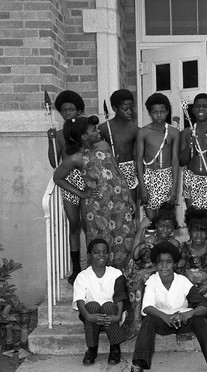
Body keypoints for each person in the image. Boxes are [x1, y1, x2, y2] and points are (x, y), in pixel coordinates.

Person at [126, 242, 207, 372]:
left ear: (175, 264)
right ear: (156, 265)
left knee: (199, 320)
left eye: (168, 262)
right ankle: (137, 366)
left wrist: (190, 313)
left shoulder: (182, 281)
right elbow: (147, 307)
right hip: (162, 321)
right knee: (149, 320)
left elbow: (204, 307)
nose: (164, 266)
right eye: (160, 262)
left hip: (181, 321)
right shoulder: (152, 281)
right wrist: (165, 317)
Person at [53, 116, 135, 270]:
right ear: (84, 136)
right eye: (94, 130)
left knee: (124, 238)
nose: (98, 131)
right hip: (97, 207)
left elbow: (117, 171)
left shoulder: (104, 146)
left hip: (119, 200)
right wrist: (81, 193)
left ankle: (122, 279)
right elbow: (58, 178)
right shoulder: (75, 158)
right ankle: (99, 281)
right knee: (100, 242)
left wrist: (129, 196)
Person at [46, 90, 86, 284]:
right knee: (74, 223)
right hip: (69, 181)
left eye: (71, 109)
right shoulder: (60, 135)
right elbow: (55, 163)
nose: (68, 113)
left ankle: (94, 266)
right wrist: (51, 140)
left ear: (78, 111)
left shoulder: (86, 131)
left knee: (89, 223)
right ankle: (76, 267)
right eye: (64, 110)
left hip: (87, 180)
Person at [124, 203, 180, 336]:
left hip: (164, 272)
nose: (164, 230)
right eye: (161, 226)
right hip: (145, 271)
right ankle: (136, 322)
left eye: (168, 227)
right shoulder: (150, 239)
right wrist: (142, 235)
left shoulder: (174, 244)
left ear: (173, 229)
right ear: (156, 226)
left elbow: (177, 264)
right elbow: (135, 256)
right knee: (138, 279)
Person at [73, 238, 129, 365]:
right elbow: (79, 299)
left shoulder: (116, 273)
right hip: (90, 315)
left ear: (109, 255)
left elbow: (120, 297)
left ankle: (115, 348)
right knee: (92, 305)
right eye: (96, 252)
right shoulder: (82, 276)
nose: (101, 255)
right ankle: (92, 349)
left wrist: (118, 316)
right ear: (89, 255)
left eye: (105, 252)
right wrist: (88, 315)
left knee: (108, 305)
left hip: (113, 314)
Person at [136, 93, 180, 224]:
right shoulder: (143, 132)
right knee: (151, 221)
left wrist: (174, 188)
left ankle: (165, 245)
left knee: (166, 221)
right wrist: (142, 187)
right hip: (149, 178)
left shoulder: (173, 132)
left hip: (167, 178)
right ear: (149, 113)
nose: (159, 115)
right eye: (155, 112)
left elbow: (175, 160)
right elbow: (138, 160)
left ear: (167, 111)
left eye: (162, 112)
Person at [99, 89, 140, 204]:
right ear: (114, 108)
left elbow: (137, 156)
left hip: (129, 170)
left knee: (130, 208)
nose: (129, 112)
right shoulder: (103, 128)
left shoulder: (135, 130)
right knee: (112, 206)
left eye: (131, 108)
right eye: (125, 109)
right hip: (109, 170)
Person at [178, 208, 207, 297]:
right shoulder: (184, 246)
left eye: (202, 231)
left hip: (206, 283)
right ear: (189, 232)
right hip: (188, 285)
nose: (199, 235)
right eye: (195, 231)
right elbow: (180, 267)